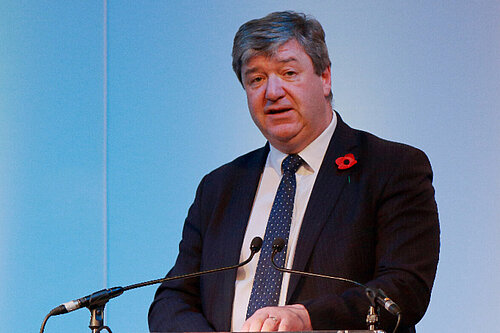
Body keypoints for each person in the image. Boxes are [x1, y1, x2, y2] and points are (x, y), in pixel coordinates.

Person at [148, 11, 439, 333]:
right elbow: (174, 298)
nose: (272, 92)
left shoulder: (390, 167)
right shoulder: (220, 186)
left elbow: (405, 287)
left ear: (325, 77)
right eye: (256, 79)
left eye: (288, 72)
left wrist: (305, 318)